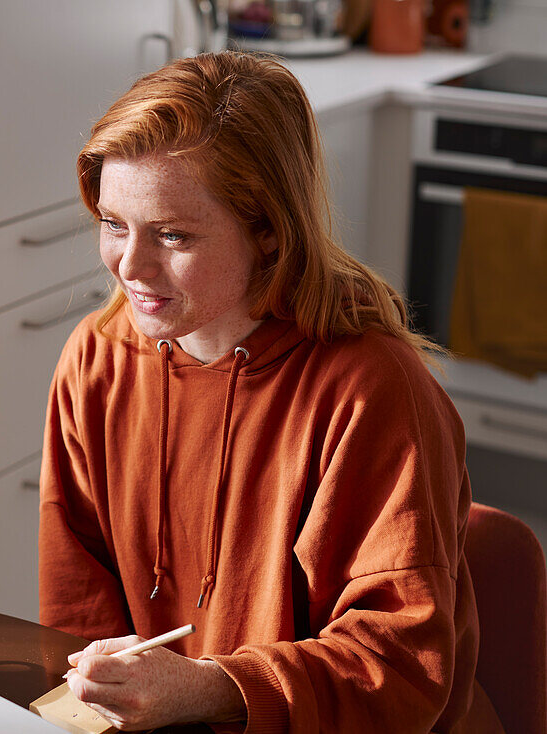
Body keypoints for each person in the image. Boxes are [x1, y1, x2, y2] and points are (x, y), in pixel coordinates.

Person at [38, 52, 504, 732]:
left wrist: (209, 688)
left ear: (268, 233)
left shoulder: (372, 391)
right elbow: (78, 602)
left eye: (172, 234)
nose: (130, 268)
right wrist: (102, 684)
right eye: (114, 224)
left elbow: (401, 663)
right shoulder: (96, 358)